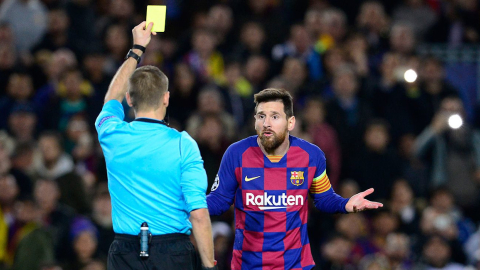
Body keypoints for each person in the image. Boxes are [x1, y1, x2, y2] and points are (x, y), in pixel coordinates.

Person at [207, 88, 383, 269]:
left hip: (295, 265)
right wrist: (189, 205)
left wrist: (344, 204)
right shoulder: (236, 153)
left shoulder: (311, 155)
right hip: (249, 264)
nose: (266, 123)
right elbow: (219, 199)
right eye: (261, 116)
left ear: (290, 122)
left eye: (274, 117)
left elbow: (323, 199)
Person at [94, 22, 215, 270]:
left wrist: (137, 48)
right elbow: (199, 215)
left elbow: (110, 98)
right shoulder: (184, 144)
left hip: (125, 254)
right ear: (166, 98)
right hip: (174, 254)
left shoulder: (112, 134)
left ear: (129, 99)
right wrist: (209, 265)